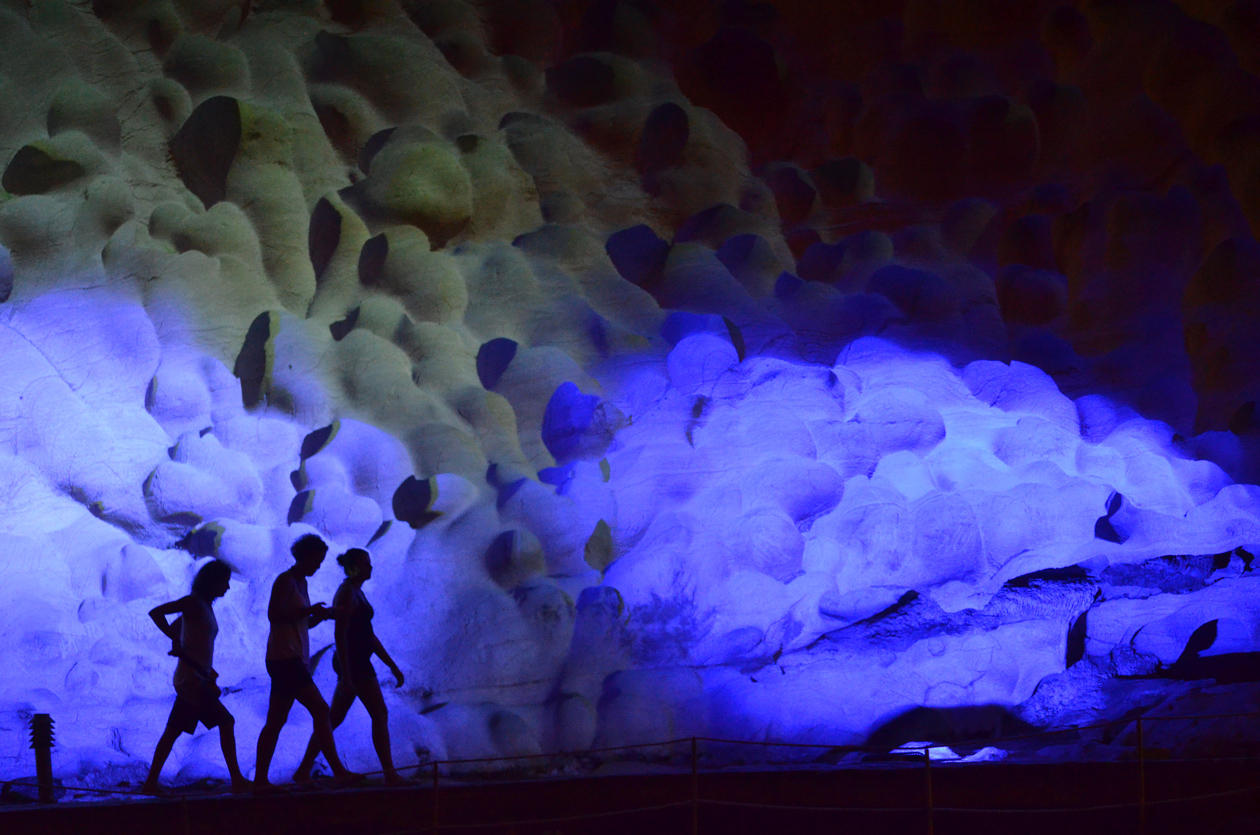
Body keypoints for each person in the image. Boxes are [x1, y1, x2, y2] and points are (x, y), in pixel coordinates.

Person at [252, 534, 360, 790]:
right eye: (317, 560)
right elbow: (274, 615)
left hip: (289, 658)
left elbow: (299, 621)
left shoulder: (300, 583)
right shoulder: (286, 581)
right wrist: (307, 612)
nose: (319, 566)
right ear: (306, 557)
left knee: (276, 721)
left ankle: (260, 781)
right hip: (285, 659)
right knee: (321, 710)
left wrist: (320, 616)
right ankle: (337, 771)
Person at [294, 548, 406, 785]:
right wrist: (346, 673)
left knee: (334, 718)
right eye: (366, 564)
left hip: (356, 663)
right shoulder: (347, 593)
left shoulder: (355, 592)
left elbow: (369, 635)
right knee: (378, 713)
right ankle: (390, 774)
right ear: (355, 567)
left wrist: (391, 665)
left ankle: (303, 769)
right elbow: (340, 634)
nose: (371, 568)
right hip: (355, 664)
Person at [143, 560, 248, 794]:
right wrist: (175, 639)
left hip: (195, 678)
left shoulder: (204, 607)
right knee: (225, 721)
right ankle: (238, 780)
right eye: (225, 582)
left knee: (172, 731)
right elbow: (157, 613)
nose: (228, 587)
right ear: (213, 582)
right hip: (192, 681)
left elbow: (182, 629)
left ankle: (150, 782)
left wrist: (180, 642)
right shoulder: (194, 603)